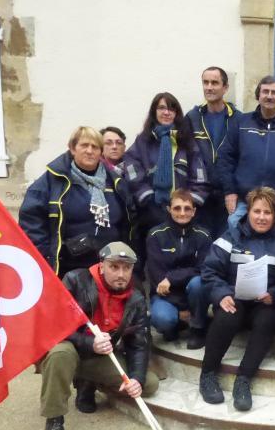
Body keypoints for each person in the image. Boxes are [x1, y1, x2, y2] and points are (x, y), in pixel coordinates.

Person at [38, 242, 159, 430]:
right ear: (101, 266)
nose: (121, 274)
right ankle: (54, 422)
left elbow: (139, 343)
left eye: (127, 268)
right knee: (60, 355)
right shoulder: (76, 280)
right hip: (72, 347)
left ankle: (88, 382)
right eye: (114, 267)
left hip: (101, 355)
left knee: (149, 384)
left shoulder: (136, 295)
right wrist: (88, 343)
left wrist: (137, 379)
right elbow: (54, 326)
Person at [199, 187, 275, 411]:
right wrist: (221, 295)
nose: (261, 217)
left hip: (265, 303)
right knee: (227, 316)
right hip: (234, 297)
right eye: (256, 211)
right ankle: (208, 373)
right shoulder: (231, 236)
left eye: (267, 212)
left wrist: (274, 295)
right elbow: (209, 271)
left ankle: (244, 380)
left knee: (267, 320)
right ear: (247, 212)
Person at [20, 126, 132, 278]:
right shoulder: (52, 181)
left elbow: (129, 220)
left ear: (101, 152)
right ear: (72, 149)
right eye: (84, 145)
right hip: (67, 269)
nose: (90, 151)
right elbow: (32, 223)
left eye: (95, 147)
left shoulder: (115, 181)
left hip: (108, 269)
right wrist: (46, 258)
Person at [216, 75, 275, 229]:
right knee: (236, 239)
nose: (269, 96)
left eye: (274, 93)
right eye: (265, 92)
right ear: (258, 95)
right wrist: (229, 191)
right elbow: (225, 158)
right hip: (245, 203)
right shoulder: (241, 123)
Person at [122, 92, 209, 247]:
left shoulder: (186, 141)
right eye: (161, 108)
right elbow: (130, 165)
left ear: (177, 114)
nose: (166, 112)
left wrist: (189, 201)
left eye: (171, 109)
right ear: (154, 112)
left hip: (182, 213)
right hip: (152, 211)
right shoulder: (143, 140)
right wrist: (147, 195)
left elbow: (199, 175)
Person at [146, 189, 212, 348]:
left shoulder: (204, 235)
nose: (182, 213)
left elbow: (203, 269)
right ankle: (177, 322)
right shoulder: (155, 235)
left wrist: (172, 278)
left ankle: (197, 328)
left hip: (192, 294)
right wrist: (180, 312)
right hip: (165, 295)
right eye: (177, 208)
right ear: (169, 209)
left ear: (194, 211)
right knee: (163, 320)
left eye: (187, 208)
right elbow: (157, 277)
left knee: (199, 282)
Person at [186, 66, 241, 239]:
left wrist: (232, 189)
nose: (209, 87)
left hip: (228, 195)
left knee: (224, 244)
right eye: (206, 82)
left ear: (225, 88)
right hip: (199, 195)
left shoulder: (238, 119)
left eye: (215, 83)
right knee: (201, 243)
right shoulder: (193, 118)